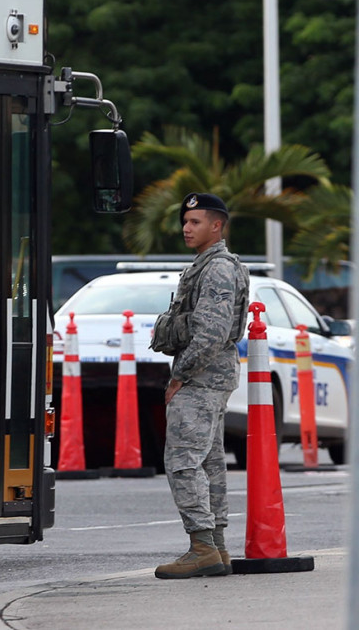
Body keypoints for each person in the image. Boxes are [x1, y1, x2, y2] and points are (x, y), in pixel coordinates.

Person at [154, 192, 249, 579]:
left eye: (195, 222)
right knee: (209, 463)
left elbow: (211, 333)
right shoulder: (209, 264)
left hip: (202, 376)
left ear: (217, 226)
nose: (186, 228)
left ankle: (202, 547)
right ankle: (218, 548)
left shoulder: (218, 268)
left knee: (182, 461)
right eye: (185, 221)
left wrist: (181, 375)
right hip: (212, 375)